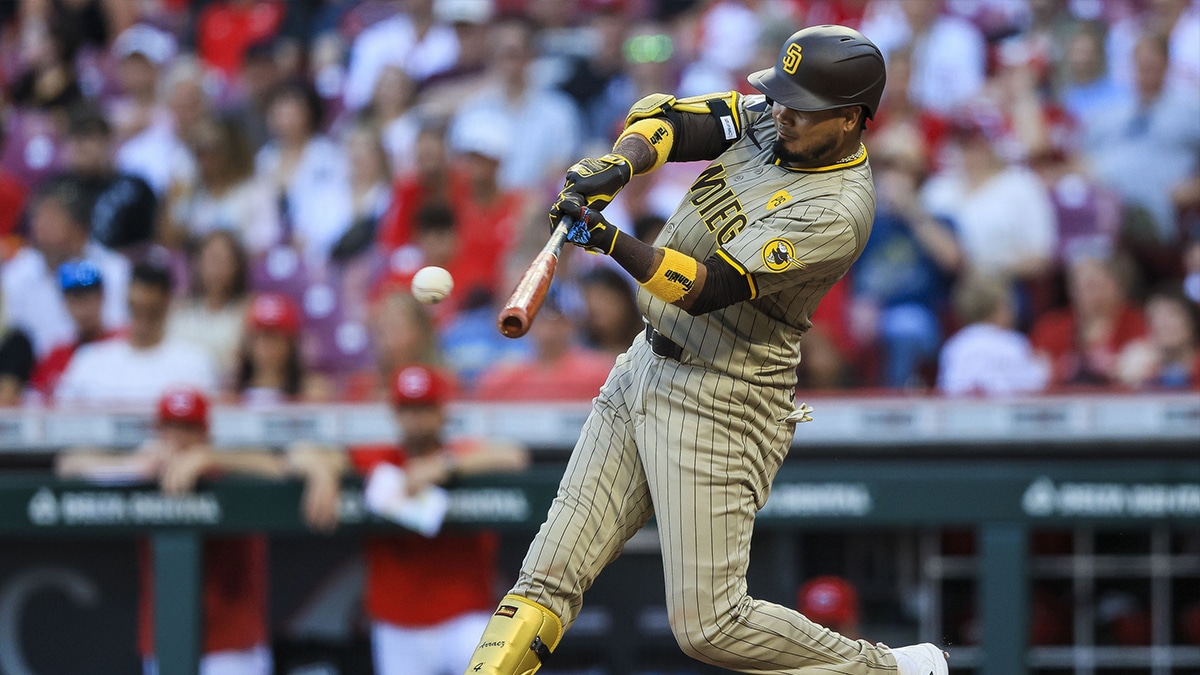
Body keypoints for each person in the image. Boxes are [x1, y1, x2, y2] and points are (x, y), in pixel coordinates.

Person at [462, 25, 948, 675]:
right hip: (645, 364)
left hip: (723, 394)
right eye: (782, 96)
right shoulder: (781, 119)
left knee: (709, 625)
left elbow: (705, 286)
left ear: (852, 120)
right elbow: (672, 120)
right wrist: (622, 163)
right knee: (544, 578)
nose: (782, 112)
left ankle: (886, 670)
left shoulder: (837, 208)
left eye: (803, 106)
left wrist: (609, 239)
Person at [56, 386, 344, 675]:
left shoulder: (228, 468)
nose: (179, 439)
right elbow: (68, 464)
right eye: (171, 428)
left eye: (189, 429)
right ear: (158, 431)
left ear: (206, 433)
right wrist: (130, 465)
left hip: (233, 646)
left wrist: (213, 458)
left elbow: (283, 463)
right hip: (165, 640)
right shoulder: (146, 471)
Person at [345, 364, 528, 674]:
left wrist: (443, 465)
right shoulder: (382, 459)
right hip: (399, 624)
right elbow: (314, 451)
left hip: (464, 617)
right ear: (396, 414)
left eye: (424, 408)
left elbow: (513, 455)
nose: (415, 419)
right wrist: (321, 470)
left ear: (442, 412)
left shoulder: (458, 453)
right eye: (408, 409)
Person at [1, 176, 131, 358]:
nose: (40, 228)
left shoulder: (114, 271)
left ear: (80, 229)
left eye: (51, 219)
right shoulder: (17, 273)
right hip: (36, 377)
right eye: (38, 218)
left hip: (101, 369)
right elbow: (12, 341)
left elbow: (120, 332)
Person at [55, 261, 220, 405]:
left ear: (167, 303)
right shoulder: (89, 361)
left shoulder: (194, 363)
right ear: (127, 301)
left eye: (152, 310)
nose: (144, 319)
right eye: (137, 308)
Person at [936, 276, 1050, 397]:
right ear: (1001, 309)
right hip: (1003, 414)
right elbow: (1033, 385)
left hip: (960, 414)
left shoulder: (954, 346)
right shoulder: (1012, 342)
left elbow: (945, 390)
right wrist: (1044, 366)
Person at [30, 260, 122, 398]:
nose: (82, 310)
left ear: (101, 297)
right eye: (75, 300)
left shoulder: (121, 344)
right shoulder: (56, 355)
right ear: (64, 303)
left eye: (88, 298)